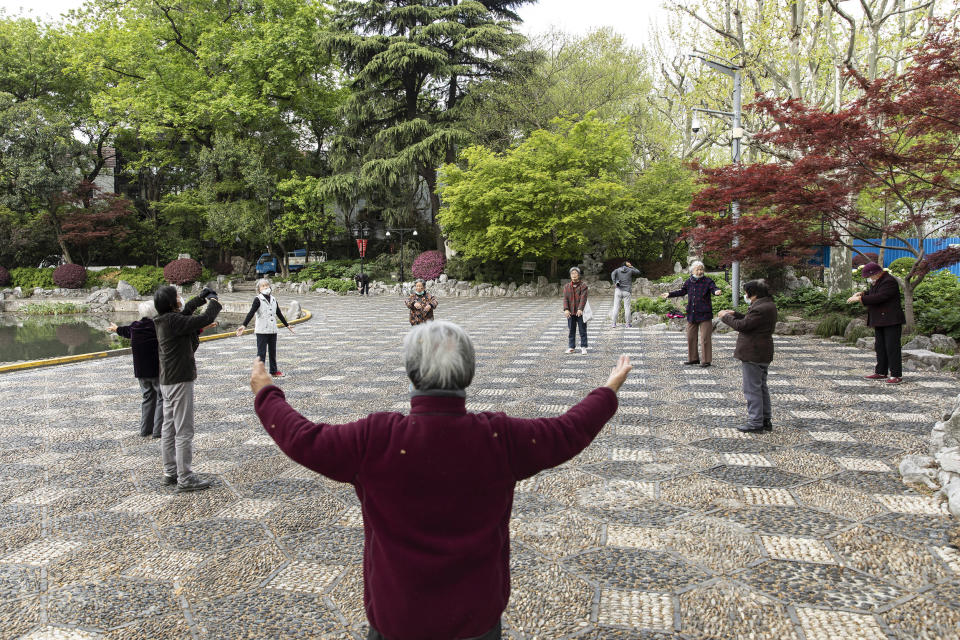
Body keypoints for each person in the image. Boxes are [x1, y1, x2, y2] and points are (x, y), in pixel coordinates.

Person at [248, 320, 633, 640]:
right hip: (475, 615)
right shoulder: (499, 437)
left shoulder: (376, 438)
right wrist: (608, 389)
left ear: (411, 371)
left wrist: (267, 394)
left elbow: (303, 438)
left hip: (398, 615)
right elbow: (569, 430)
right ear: (468, 371)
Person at [154, 285, 222, 493]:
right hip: (180, 380)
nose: (181, 299)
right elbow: (202, 320)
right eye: (178, 297)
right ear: (171, 303)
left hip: (167, 380)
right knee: (184, 430)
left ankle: (170, 472)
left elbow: (185, 313)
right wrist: (214, 302)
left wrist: (200, 298)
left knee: (169, 427)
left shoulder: (164, 319)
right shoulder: (174, 321)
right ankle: (185, 477)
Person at [718, 280, 778, 432]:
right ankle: (765, 419)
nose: (745, 295)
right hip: (763, 351)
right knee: (761, 386)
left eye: (746, 292)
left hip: (753, 351)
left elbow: (743, 326)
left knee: (752, 389)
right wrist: (736, 314)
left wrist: (725, 317)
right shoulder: (768, 304)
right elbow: (751, 320)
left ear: (754, 293)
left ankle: (755, 422)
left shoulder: (760, 308)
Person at [108, 300, 163, 438]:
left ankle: (145, 430)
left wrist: (115, 329)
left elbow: (124, 331)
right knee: (161, 398)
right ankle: (158, 431)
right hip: (156, 369)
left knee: (147, 397)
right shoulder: (158, 326)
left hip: (141, 371)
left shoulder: (135, 327)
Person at [847, 261, 905, 384]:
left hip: (891, 320)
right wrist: (862, 293)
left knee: (892, 347)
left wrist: (859, 299)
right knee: (880, 347)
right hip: (880, 319)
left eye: (869, 276)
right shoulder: (878, 281)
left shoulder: (889, 281)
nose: (869, 279)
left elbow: (880, 297)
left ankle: (896, 375)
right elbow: (874, 293)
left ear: (876, 273)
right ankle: (881, 372)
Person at [661, 261, 723, 367]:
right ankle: (693, 359)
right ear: (692, 270)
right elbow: (682, 291)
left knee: (705, 338)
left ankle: (706, 360)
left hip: (705, 313)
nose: (699, 271)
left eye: (701, 269)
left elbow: (713, 288)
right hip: (692, 313)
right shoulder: (689, 281)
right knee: (691, 337)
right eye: (697, 269)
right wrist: (669, 294)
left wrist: (716, 292)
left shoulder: (708, 281)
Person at [235, 278, 294, 378]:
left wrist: (287, 325)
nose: (266, 287)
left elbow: (278, 313)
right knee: (261, 353)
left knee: (273, 352)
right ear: (259, 289)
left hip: (272, 330)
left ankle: (273, 371)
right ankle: (259, 373)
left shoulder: (274, 299)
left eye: (267, 285)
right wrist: (244, 325)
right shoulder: (258, 299)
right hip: (262, 330)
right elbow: (251, 312)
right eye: (263, 286)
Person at [563, 266, 589, 354]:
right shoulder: (567, 286)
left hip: (580, 312)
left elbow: (583, 298)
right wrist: (566, 309)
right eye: (572, 273)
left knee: (582, 329)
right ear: (570, 275)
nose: (574, 275)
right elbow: (565, 299)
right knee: (571, 330)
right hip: (570, 312)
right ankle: (571, 347)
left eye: (575, 273)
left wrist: (580, 309)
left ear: (579, 275)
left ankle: (583, 346)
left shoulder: (583, 286)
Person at [610, 260, 641, 328]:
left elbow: (612, 274)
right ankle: (627, 324)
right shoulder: (630, 270)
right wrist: (632, 267)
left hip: (618, 290)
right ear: (628, 265)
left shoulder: (617, 270)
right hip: (627, 291)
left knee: (616, 307)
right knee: (627, 308)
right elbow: (638, 272)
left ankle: (613, 324)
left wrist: (614, 282)